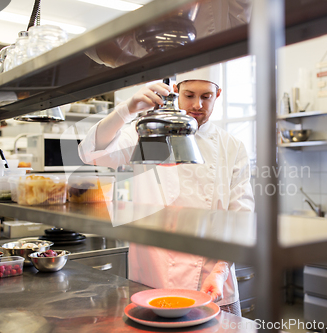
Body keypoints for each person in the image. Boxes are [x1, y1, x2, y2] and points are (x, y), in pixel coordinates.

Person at [78, 65, 254, 316]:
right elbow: (90, 153)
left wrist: (220, 271)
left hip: (212, 281)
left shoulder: (232, 146)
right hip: (154, 277)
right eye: (189, 95)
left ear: (218, 94)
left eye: (206, 96)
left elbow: (241, 216)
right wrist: (127, 109)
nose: (197, 104)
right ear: (176, 91)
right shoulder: (148, 133)